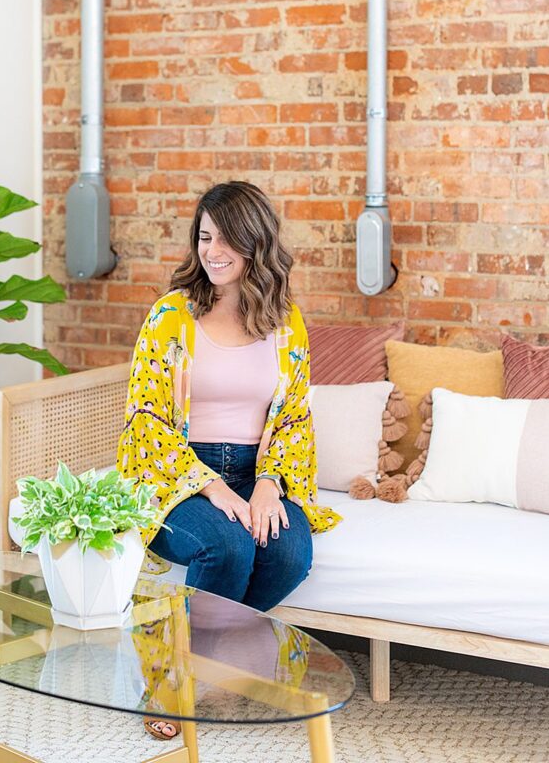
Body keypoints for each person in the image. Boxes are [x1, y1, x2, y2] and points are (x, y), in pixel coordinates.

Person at [117, 180, 342, 740]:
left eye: (227, 240)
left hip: (256, 467)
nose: (213, 252)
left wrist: (269, 484)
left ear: (256, 245)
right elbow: (145, 416)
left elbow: (293, 416)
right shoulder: (170, 315)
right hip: (177, 471)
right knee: (227, 542)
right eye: (204, 237)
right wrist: (210, 486)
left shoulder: (286, 322)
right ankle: (168, 687)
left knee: (290, 552)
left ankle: (195, 664)